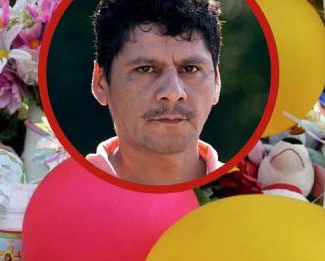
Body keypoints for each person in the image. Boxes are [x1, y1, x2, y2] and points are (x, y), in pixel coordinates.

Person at [87, 0, 223, 185]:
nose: (173, 92)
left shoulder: (251, 196)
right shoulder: (59, 194)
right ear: (101, 83)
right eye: (145, 69)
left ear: (217, 81)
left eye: (190, 69)